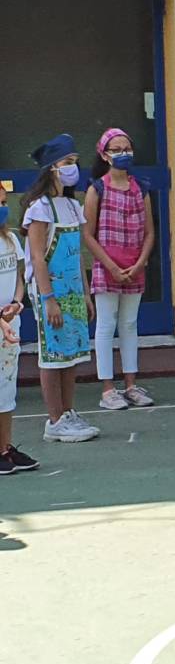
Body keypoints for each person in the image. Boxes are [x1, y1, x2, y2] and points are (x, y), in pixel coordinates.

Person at [23, 134, 98, 443]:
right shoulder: (38, 209)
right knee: (53, 354)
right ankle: (54, 419)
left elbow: (77, 253)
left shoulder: (71, 205)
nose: (73, 168)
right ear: (52, 169)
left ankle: (68, 412)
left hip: (72, 289)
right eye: (67, 163)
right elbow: (39, 257)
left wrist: (85, 292)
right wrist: (48, 298)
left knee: (71, 353)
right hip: (50, 290)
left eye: (75, 162)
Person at [82, 128, 156, 410]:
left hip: (135, 267)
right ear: (104, 154)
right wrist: (111, 266)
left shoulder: (142, 188)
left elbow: (150, 232)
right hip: (107, 268)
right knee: (106, 324)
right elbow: (88, 234)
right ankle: (107, 388)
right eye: (116, 149)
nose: (123, 153)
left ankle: (131, 384)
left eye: (127, 148)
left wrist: (140, 263)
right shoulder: (96, 189)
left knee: (129, 324)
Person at [0, 183, 37, 475]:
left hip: (11, 325)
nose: (2, 208)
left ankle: (5, 448)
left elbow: (20, 279)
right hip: (3, 324)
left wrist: (15, 302)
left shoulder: (11, 239)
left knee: (6, 391)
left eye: (3, 202)